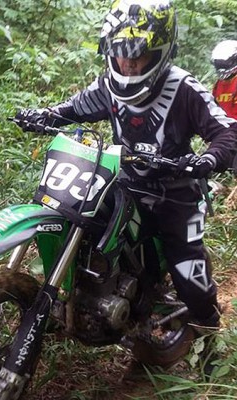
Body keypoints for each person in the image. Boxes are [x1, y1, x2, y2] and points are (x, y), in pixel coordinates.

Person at [15, 0, 237, 376]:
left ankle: (210, 342)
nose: (128, 65)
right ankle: (85, 297)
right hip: (125, 183)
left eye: (138, 56)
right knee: (81, 223)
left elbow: (227, 130)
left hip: (174, 194)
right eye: (120, 55)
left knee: (188, 271)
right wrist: (45, 116)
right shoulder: (108, 86)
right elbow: (74, 108)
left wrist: (208, 159)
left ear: (162, 51)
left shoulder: (184, 89)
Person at [211, 40, 237, 172]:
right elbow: (213, 106)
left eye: (224, 64)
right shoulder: (219, 85)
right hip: (225, 131)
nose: (221, 68)